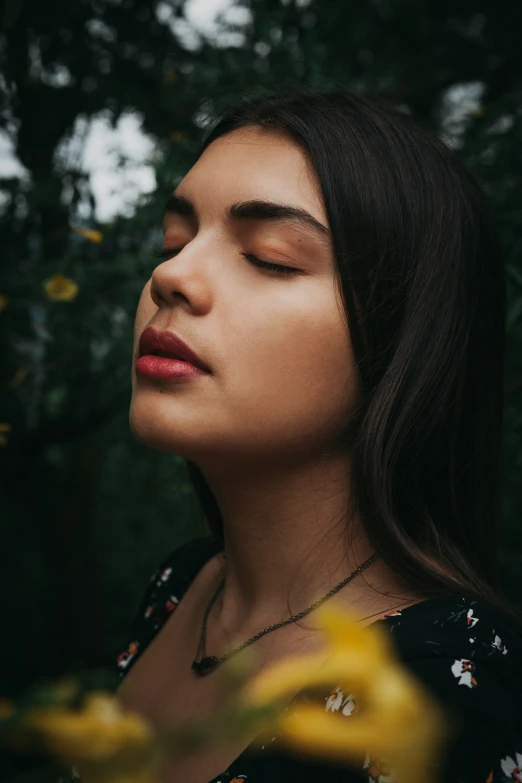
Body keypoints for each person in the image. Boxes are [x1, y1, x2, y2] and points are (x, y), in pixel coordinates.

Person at [114, 87, 522, 783]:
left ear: (404, 340)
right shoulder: (183, 587)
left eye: (270, 257)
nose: (170, 275)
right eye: (175, 240)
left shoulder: (446, 695)